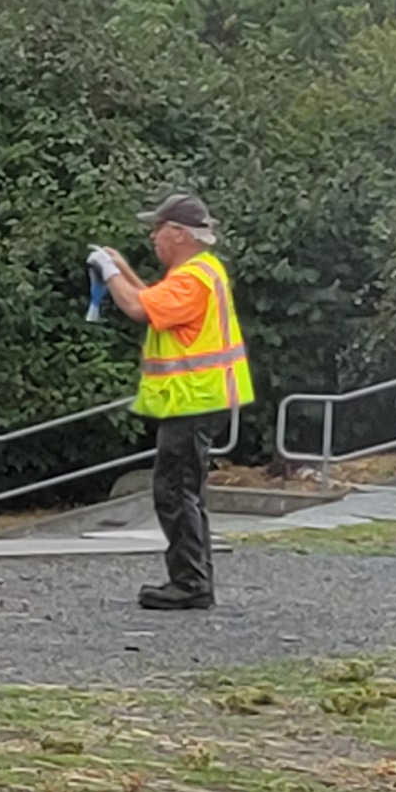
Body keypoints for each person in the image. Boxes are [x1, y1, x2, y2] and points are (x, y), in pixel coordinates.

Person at [92, 193, 253, 613]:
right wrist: (120, 266)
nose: (153, 236)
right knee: (185, 491)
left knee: (175, 491)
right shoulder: (199, 273)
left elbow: (137, 308)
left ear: (179, 234)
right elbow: (152, 301)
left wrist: (109, 272)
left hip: (192, 399)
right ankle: (193, 578)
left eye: (158, 228)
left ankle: (190, 583)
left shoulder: (191, 280)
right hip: (200, 398)